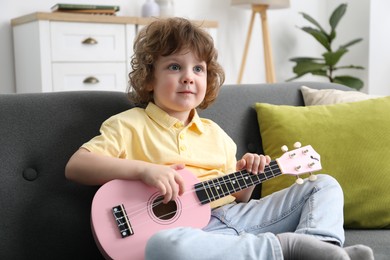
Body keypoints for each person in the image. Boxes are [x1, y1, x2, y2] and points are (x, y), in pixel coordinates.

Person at [65, 17, 374, 260]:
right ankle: (287, 249)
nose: (189, 76)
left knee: (324, 185)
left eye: (198, 68)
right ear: (148, 78)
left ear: (207, 79)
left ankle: (323, 250)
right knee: (166, 247)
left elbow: (239, 197)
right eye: (175, 66)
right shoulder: (129, 125)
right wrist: (144, 170)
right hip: (189, 237)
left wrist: (248, 176)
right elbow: (77, 166)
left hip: (234, 219)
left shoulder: (217, 135)